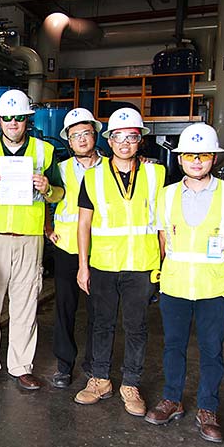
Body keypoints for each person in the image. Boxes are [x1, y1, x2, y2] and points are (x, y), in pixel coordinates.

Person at [144, 123, 224, 443]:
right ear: (180, 159)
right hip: (176, 285)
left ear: (213, 159)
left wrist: (219, 260)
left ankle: (207, 408)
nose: (196, 161)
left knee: (211, 349)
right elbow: (163, 237)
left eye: (203, 155)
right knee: (173, 346)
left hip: (214, 287)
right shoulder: (167, 195)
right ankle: (172, 399)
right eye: (190, 155)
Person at [0, 89, 64, 391]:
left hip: (29, 238)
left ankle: (21, 365)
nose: (13, 123)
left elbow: (60, 194)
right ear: (0, 121)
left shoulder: (43, 151)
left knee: (26, 305)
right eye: (7, 118)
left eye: (18, 118)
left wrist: (48, 188)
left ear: (27, 120)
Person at [74, 107, 165, 418]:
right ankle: (100, 380)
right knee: (101, 323)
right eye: (118, 137)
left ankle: (131, 383)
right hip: (103, 264)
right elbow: (83, 224)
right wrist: (83, 266)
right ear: (109, 140)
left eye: (132, 137)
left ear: (140, 140)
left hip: (142, 265)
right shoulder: (93, 177)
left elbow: (164, 223)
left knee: (137, 327)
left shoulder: (157, 174)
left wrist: (164, 263)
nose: (125, 143)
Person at [48, 108, 102, 389]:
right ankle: (64, 365)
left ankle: (95, 365)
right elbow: (44, 197)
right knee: (65, 309)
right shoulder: (61, 169)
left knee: (98, 311)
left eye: (86, 133)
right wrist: (47, 227)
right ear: (68, 141)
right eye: (75, 135)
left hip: (101, 249)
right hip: (67, 246)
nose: (81, 139)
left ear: (95, 135)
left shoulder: (110, 168)